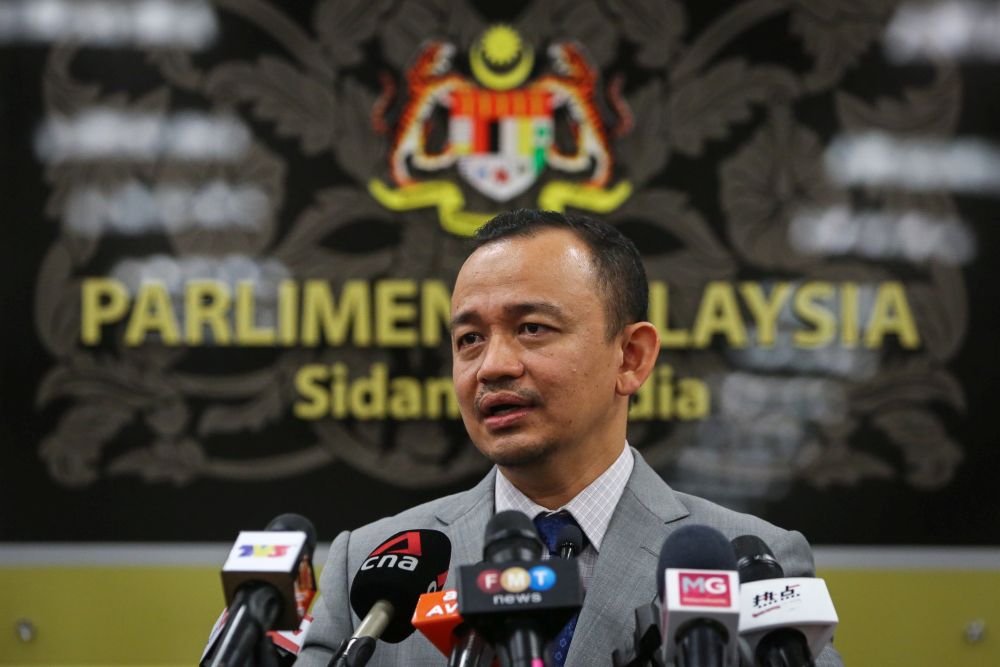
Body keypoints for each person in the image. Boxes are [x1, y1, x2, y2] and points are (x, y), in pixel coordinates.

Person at [296, 209, 842, 666]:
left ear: (631, 358)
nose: (492, 366)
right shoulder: (371, 565)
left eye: (532, 328)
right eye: (469, 339)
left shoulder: (752, 562)